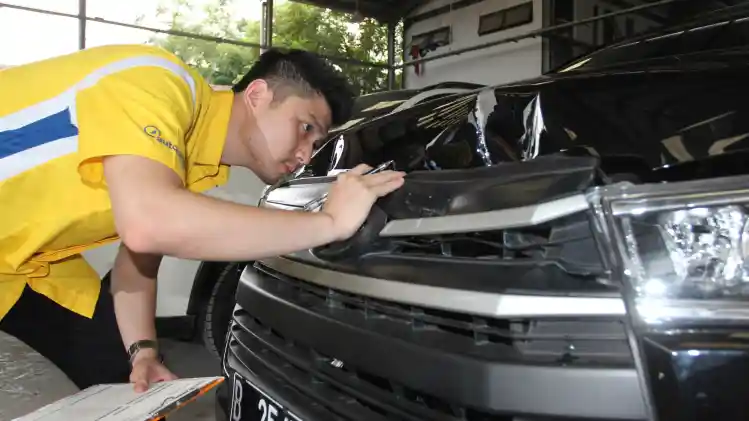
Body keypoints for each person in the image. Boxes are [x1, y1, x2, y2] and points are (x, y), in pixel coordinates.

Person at [0, 45, 405, 393]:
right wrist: (329, 223)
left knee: (125, 379)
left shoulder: (187, 158)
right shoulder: (156, 79)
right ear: (257, 95)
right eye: (304, 128)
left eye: (315, 144)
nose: (304, 154)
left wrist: (144, 353)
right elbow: (147, 224)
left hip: (21, 264)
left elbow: (136, 264)